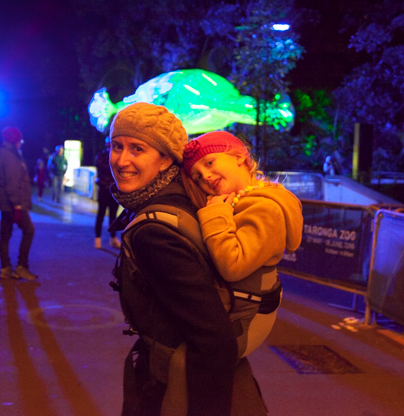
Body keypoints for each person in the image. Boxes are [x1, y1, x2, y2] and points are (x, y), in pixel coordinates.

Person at [108, 103, 266, 416]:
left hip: (176, 389)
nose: (121, 160)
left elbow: (214, 340)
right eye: (117, 146)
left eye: (137, 149)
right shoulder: (186, 199)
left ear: (166, 158)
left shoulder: (154, 232)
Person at [160, 131, 303, 412]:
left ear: (240, 157)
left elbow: (233, 265)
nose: (205, 176)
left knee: (184, 363)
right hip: (240, 308)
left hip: (246, 315)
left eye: (210, 163)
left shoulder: (265, 208)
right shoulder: (242, 199)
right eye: (198, 175)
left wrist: (214, 215)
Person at [0, 126, 38, 281]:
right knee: (29, 230)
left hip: (6, 203)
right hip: (13, 204)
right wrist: (17, 205)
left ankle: (5, 268)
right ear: (16, 140)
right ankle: (21, 266)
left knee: (5, 235)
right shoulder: (11, 155)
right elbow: (13, 182)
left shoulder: (4, 153)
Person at [93, 137, 121, 249]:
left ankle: (113, 238)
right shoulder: (101, 156)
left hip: (114, 190)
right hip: (104, 189)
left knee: (113, 216)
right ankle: (97, 238)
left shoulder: (119, 157)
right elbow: (104, 169)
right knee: (101, 214)